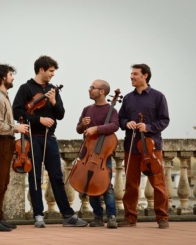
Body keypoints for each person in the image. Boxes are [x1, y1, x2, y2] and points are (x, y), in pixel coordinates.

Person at [12, 55, 87, 228]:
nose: (53, 74)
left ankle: (68, 215)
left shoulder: (53, 90)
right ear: (41, 69)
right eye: (51, 71)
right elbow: (17, 112)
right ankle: (38, 215)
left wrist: (53, 101)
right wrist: (39, 120)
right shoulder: (25, 88)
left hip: (49, 138)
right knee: (35, 177)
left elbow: (60, 114)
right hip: (32, 138)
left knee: (57, 176)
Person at [118, 64, 170, 229]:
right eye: (131, 74)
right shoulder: (127, 98)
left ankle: (162, 217)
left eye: (135, 74)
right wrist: (128, 123)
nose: (131, 77)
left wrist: (147, 127)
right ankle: (130, 217)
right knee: (131, 184)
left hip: (152, 147)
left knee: (158, 183)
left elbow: (164, 120)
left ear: (145, 76)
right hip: (132, 146)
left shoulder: (158, 96)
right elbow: (120, 119)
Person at [0, 63, 29, 232]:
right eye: (10, 74)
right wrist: (16, 128)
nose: (13, 77)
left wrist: (14, 128)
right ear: (3, 77)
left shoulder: (2, 96)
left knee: (2, 182)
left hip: (4, 142)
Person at [76, 79, 119, 229]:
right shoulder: (87, 109)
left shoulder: (111, 110)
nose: (89, 90)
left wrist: (96, 129)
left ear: (102, 91)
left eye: (92, 88)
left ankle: (112, 216)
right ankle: (98, 217)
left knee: (107, 186)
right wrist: (83, 124)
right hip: (87, 154)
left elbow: (114, 125)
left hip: (103, 155)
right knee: (90, 185)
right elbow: (79, 129)